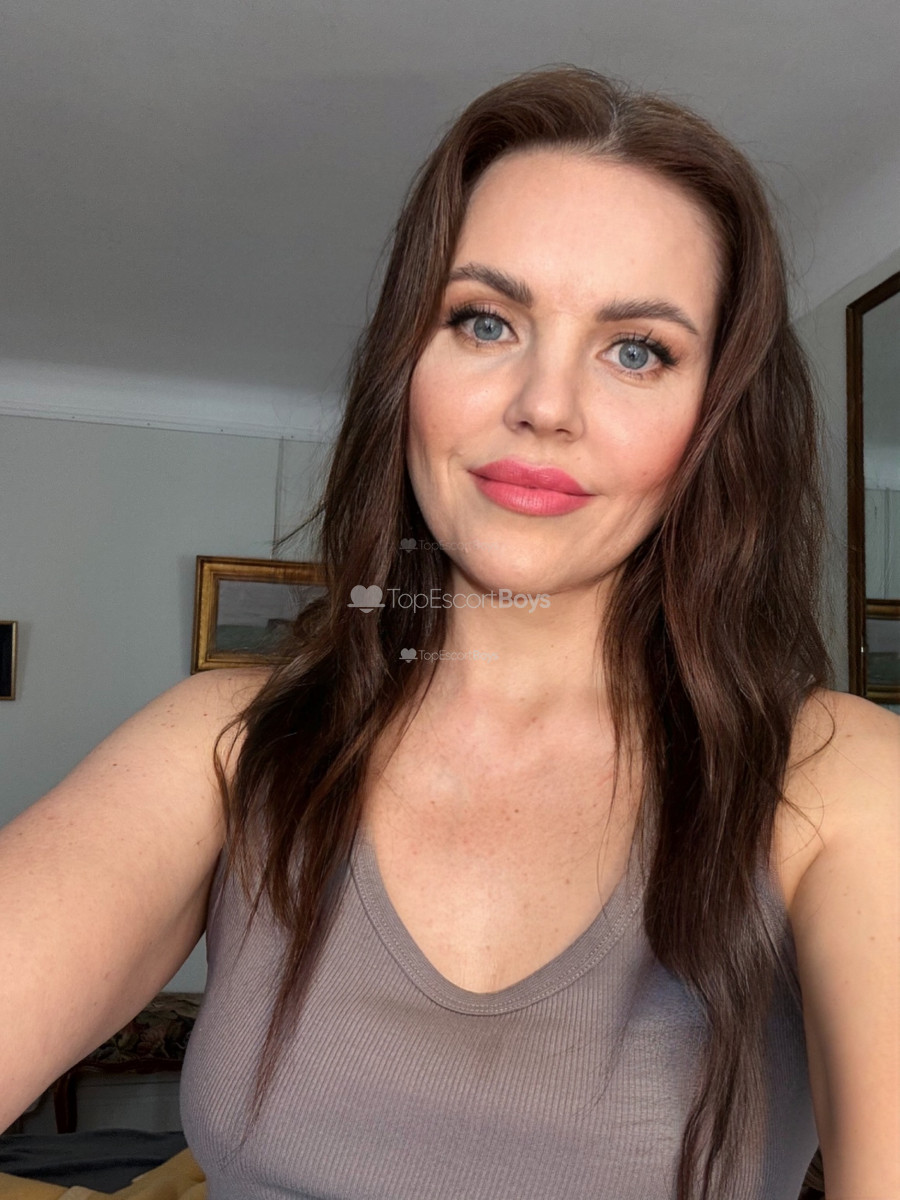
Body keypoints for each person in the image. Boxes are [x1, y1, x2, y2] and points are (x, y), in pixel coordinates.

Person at [1, 66, 897, 1200]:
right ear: (407, 367)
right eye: (485, 321)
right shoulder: (227, 740)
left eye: (637, 350)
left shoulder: (839, 780)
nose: (544, 404)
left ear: (718, 420)